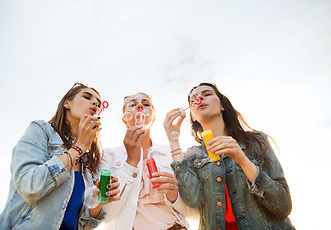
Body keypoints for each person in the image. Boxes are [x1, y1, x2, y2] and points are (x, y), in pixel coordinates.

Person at [163, 83, 295, 230]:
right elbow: (192, 200)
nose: (198, 98)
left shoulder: (256, 142)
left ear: (222, 106)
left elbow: (283, 205)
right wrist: (173, 140)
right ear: (193, 116)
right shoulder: (192, 156)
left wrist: (243, 160)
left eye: (206, 94)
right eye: (193, 99)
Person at [0, 83, 120, 230]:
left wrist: (97, 202)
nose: (95, 103)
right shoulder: (41, 131)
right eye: (87, 97)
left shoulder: (86, 161)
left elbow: (84, 225)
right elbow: (30, 186)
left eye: (98, 102)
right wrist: (79, 148)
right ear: (67, 103)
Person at [97, 92, 198, 230]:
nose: (139, 105)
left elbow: (194, 213)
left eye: (146, 104)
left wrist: (173, 196)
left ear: (154, 117)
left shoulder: (171, 152)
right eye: (132, 104)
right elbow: (104, 215)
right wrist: (131, 163)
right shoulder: (108, 155)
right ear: (124, 118)